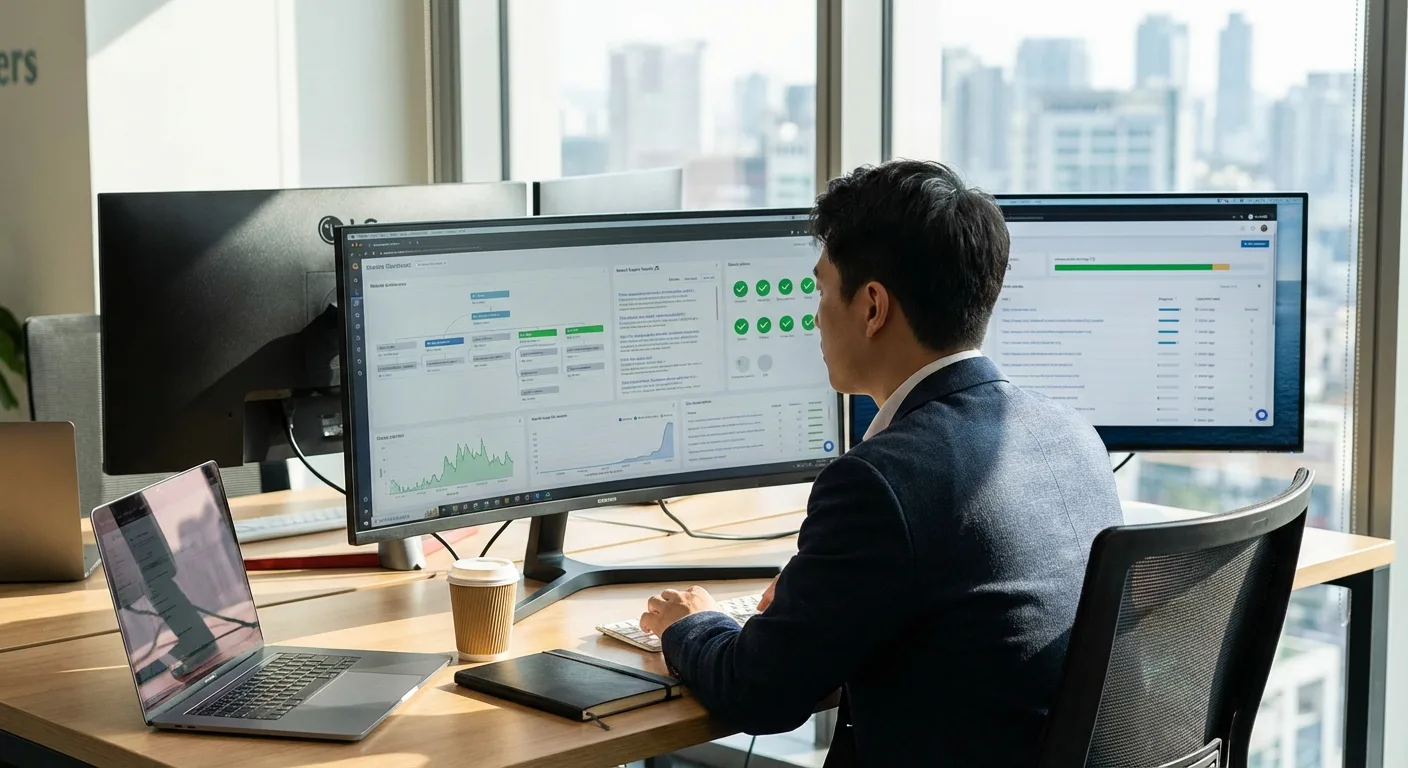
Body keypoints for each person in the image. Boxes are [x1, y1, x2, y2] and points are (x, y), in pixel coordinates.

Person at [639, 160, 1125, 767]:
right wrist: (816, 602)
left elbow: (758, 693)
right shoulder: (1073, 433)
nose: (814, 316)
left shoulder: (880, 481)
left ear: (872, 307)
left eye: (820, 290)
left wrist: (691, 624)